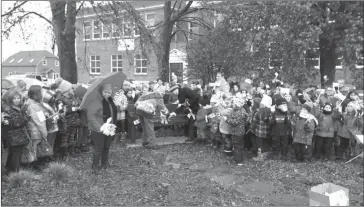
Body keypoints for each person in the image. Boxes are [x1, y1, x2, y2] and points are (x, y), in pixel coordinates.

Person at [87, 84, 118, 174]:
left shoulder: (109, 100)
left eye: (109, 92)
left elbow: (112, 112)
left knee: (106, 146)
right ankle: (95, 166)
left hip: (109, 127)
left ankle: (104, 163)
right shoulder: (96, 102)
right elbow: (91, 116)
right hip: (99, 128)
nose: (107, 94)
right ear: (101, 91)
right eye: (105, 92)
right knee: (99, 148)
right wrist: (100, 127)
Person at [3, 90, 30, 174]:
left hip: (19, 135)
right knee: (15, 154)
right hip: (14, 136)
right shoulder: (9, 110)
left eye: (18, 98)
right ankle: (16, 172)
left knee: (15, 153)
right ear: (10, 100)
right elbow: (17, 122)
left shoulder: (20, 108)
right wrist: (24, 119)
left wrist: (24, 118)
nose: (17, 100)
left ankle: (9, 169)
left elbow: (23, 120)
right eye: (14, 98)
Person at [26, 85, 48, 168]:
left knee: (33, 148)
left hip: (32, 129)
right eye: (41, 92)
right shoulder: (33, 105)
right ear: (37, 93)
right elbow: (40, 121)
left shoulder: (30, 102)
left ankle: (34, 164)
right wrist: (44, 133)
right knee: (34, 148)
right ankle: (33, 165)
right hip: (35, 131)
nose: (43, 93)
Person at [226, 98, 248, 165]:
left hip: (238, 131)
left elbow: (235, 122)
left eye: (233, 103)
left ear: (236, 104)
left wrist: (227, 120)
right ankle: (238, 157)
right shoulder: (237, 110)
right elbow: (231, 117)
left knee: (238, 145)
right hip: (237, 131)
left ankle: (239, 161)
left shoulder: (239, 112)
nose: (232, 104)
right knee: (238, 145)